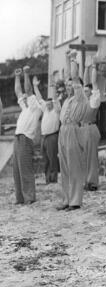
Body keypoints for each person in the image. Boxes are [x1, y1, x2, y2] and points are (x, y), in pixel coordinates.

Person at [57, 50, 100, 211]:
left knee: (74, 166)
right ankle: (66, 199)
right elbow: (69, 75)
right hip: (63, 131)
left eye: (72, 85)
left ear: (79, 87)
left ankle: (75, 200)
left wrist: (74, 60)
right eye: (67, 85)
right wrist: (67, 59)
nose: (69, 87)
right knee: (65, 167)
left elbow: (74, 77)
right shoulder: (67, 100)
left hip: (74, 131)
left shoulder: (80, 97)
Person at [13, 66, 42, 204]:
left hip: (25, 139)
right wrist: (17, 76)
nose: (23, 97)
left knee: (25, 169)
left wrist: (26, 74)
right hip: (17, 138)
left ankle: (29, 197)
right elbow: (18, 91)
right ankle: (20, 198)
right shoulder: (25, 108)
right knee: (17, 170)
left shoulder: (34, 106)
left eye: (26, 97)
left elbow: (28, 90)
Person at [33, 75, 60, 184]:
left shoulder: (56, 110)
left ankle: (53, 180)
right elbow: (39, 98)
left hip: (52, 136)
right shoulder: (45, 110)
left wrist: (53, 86)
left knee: (53, 158)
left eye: (50, 104)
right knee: (46, 159)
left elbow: (55, 100)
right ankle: (47, 179)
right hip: (44, 137)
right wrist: (35, 87)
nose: (48, 106)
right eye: (47, 104)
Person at [81, 57, 102, 191]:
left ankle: (93, 182)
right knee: (83, 157)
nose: (85, 92)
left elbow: (93, 83)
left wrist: (93, 67)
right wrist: (86, 68)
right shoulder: (82, 100)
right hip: (82, 130)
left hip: (91, 128)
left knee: (92, 157)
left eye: (87, 91)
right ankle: (86, 181)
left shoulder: (94, 100)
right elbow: (84, 83)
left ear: (91, 92)